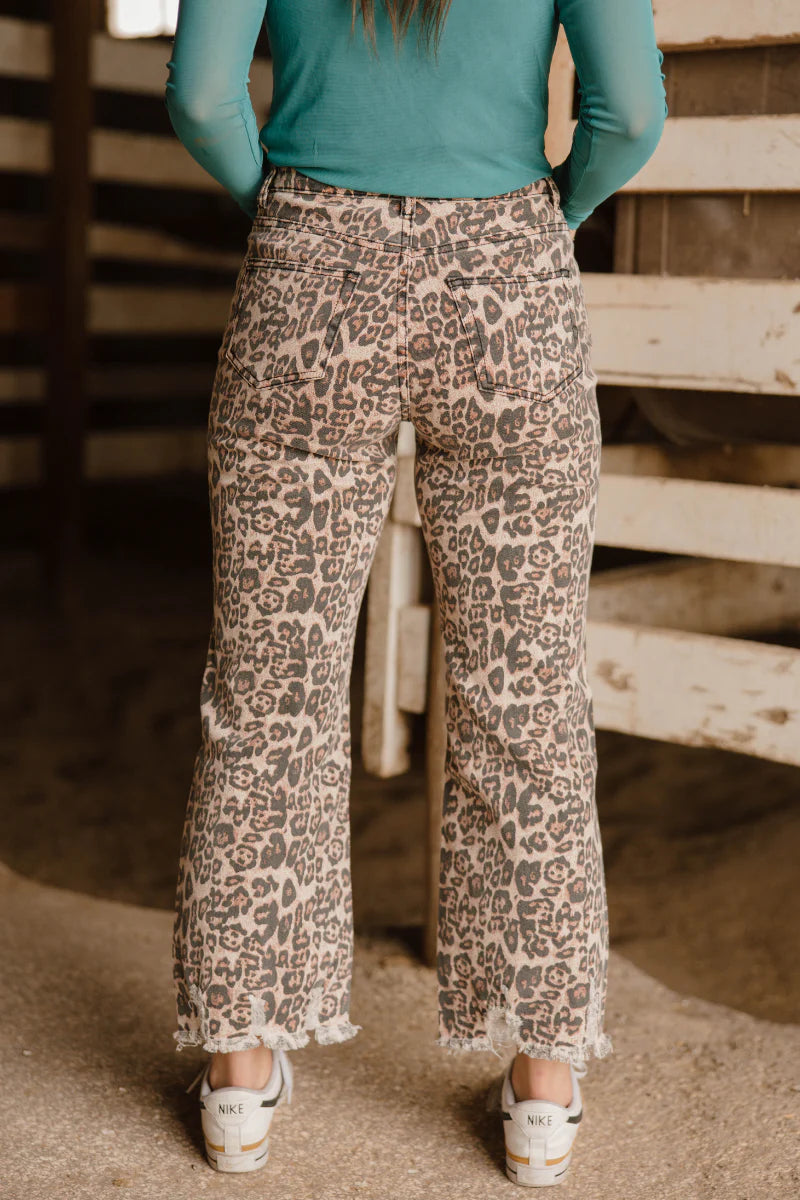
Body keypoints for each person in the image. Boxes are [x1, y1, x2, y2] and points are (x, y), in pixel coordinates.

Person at [164, 0, 666, 1184]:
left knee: (267, 689)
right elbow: (628, 114)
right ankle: (542, 1088)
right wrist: (548, 217)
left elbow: (199, 95)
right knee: (526, 692)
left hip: (310, 270)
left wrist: (290, 214)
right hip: (507, 275)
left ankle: (238, 1073)